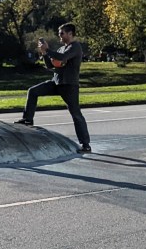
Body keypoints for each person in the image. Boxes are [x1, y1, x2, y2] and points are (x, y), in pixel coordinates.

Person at [15, 22, 91, 153]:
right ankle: (28, 120)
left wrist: (48, 50)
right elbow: (51, 66)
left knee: (76, 114)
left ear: (70, 34)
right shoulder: (62, 48)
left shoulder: (75, 47)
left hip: (69, 85)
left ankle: (85, 144)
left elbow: (62, 58)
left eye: (62, 33)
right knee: (33, 91)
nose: (59, 36)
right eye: (59, 33)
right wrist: (44, 53)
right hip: (56, 83)